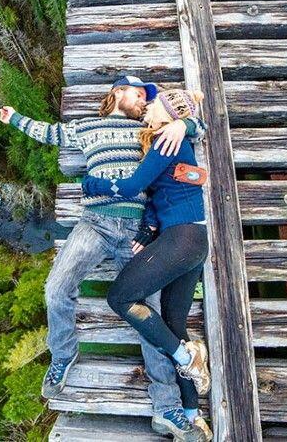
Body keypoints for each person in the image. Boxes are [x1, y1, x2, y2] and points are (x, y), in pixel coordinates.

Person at [0, 76, 208, 441]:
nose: (143, 101)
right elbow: (48, 132)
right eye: (138, 94)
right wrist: (14, 117)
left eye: (148, 98)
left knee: (150, 314)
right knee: (55, 286)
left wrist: (182, 122)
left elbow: (198, 127)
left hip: (138, 232)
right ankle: (62, 354)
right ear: (117, 93)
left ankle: (168, 407)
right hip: (93, 224)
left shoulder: (150, 132)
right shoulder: (86, 126)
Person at [81, 89, 213, 441]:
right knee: (173, 323)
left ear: (167, 113)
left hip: (182, 239)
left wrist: (92, 183)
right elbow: (161, 192)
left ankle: (185, 357)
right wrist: (149, 225)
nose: (148, 107)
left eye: (153, 104)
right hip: (193, 241)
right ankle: (191, 413)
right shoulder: (172, 137)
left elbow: (132, 186)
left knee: (120, 298)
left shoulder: (165, 140)